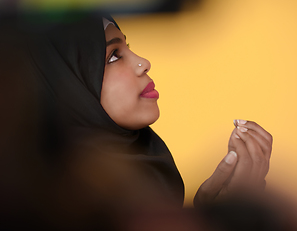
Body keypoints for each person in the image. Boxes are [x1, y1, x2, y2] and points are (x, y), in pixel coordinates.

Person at [1, 13, 274, 230]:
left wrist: (204, 213)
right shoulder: (49, 209)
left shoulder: (144, 174)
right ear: (65, 86)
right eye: (113, 56)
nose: (144, 62)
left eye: (128, 47)